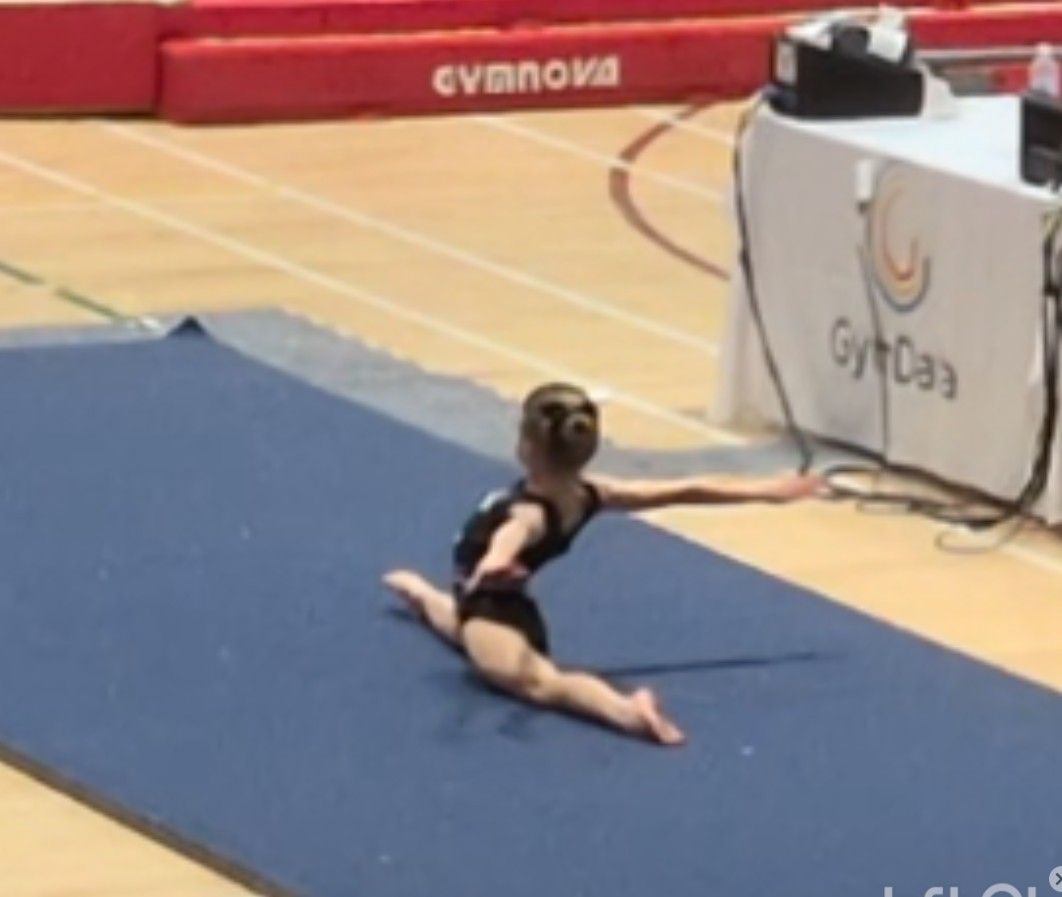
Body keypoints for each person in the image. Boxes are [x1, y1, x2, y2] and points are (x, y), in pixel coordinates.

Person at [384, 382, 821, 746]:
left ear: (526, 449)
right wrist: (764, 490)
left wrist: (497, 562)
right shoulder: (591, 495)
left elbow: (512, 533)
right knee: (463, 622)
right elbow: (683, 489)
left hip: (493, 606)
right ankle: (423, 596)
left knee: (541, 682)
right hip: (491, 600)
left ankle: (628, 711)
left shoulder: (531, 512)